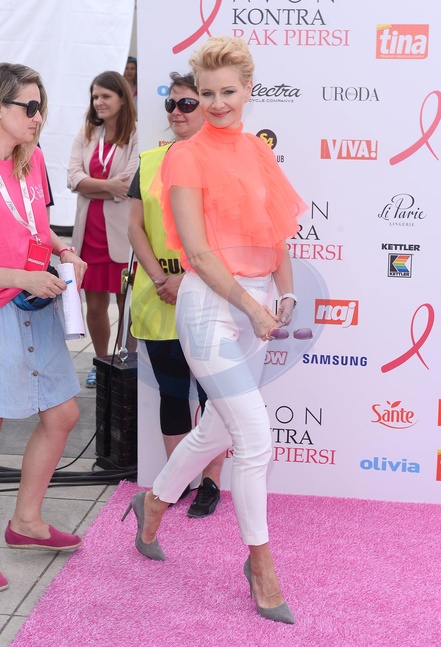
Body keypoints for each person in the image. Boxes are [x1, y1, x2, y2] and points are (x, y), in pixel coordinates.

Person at [122, 36, 307, 623]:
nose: (217, 103)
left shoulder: (256, 151)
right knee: (254, 437)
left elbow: (276, 233)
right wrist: (252, 308)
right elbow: (199, 255)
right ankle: (261, 566)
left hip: (256, 303)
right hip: (209, 307)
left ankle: (153, 503)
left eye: (228, 91)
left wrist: (285, 293)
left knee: (216, 430)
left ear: (249, 90)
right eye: (206, 94)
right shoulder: (186, 156)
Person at [0, 63, 88, 591]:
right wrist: (20, 276)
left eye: (41, 107)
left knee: (63, 413)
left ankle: (26, 523)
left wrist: (64, 250)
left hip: (35, 303)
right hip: (10, 298)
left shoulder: (31, 161)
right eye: (28, 107)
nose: (38, 117)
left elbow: (39, 226)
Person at [128, 72, 225, 518]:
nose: (176, 112)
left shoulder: (220, 163)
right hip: (156, 297)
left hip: (205, 294)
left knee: (212, 396)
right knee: (171, 392)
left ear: (206, 108)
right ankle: (176, 481)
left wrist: (186, 279)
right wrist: (160, 278)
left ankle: (210, 483)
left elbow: (224, 234)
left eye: (187, 104)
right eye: (172, 103)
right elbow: (135, 227)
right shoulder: (149, 160)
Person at [68, 71, 138, 388]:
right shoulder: (86, 133)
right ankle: (101, 362)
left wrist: (91, 187)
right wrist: (108, 187)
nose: (99, 102)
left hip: (122, 234)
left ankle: (126, 361)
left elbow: (128, 184)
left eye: (106, 96)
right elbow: (72, 178)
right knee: (95, 307)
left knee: (127, 305)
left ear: (122, 98)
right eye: (95, 96)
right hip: (89, 233)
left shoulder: (136, 134)